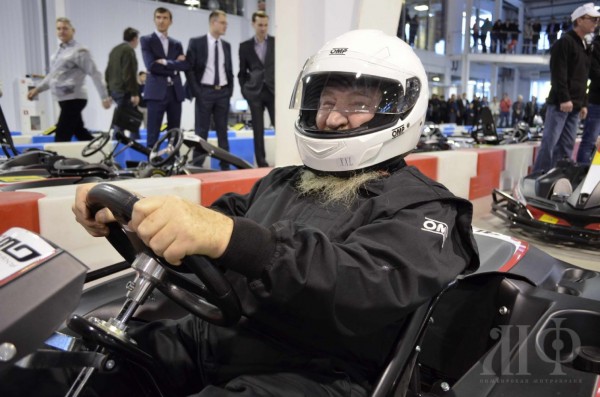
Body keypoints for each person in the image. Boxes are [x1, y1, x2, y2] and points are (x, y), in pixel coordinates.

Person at [72, 30, 479, 397]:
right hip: (214, 338)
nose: (334, 118)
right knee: (78, 364)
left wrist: (234, 240)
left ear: (403, 109)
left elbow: (360, 284)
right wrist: (136, 215)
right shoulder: (286, 181)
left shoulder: (426, 207)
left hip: (310, 371)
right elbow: (208, 228)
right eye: (327, 101)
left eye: (358, 105)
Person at [533, 3, 599, 173]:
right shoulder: (564, 42)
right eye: (592, 19)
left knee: (567, 147)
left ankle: (558, 178)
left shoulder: (584, 46)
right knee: (549, 143)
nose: (596, 23)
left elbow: (584, 78)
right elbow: (558, 74)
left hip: (575, 105)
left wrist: (583, 103)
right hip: (560, 104)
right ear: (579, 20)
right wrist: (564, 98)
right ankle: (537, 178)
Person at [27, 17, 111, 142]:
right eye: (59, 28)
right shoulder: (57, 53)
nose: (62, 31)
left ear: (73, 30)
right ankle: (102, 154)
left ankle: (58, 160)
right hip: (63, 99)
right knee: (80, 133)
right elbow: (52, 76)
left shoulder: (80, 51)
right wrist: (37, 89)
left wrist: (104, 96)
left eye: (65, 28)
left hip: (74, 98)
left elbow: (95, 73)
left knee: (61, 135)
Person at [186, 10, 234, 170]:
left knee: (223, 132)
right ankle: (197, 166)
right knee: (201, 132)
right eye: (223, 22)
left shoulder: (226, 45)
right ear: (213, 22)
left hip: (223, 93)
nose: (225, 26)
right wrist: (198, 92)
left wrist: (229, 91)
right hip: (204, 92)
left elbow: (228, 70)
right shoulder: (196, 42)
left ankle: (225, 166)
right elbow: (190, 69)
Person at [140, 7, 188, 149]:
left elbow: (184, 65)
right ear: (154, 20)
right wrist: (174, 66)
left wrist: (166, 62)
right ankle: (152, 167)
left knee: (174, 135)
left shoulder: (176, 43)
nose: (161, 21)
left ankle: (174, 166)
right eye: (158, 17)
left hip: (175, 92)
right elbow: (151, 66)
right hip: (155, 93)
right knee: (153, 135)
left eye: (165, 18)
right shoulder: (146, 40)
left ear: (170, 21)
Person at [238, 10, 275, 167]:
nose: (263, 28)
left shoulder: (275, 42)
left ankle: (286, 156)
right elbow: (242, 72)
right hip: (254, 93)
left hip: (273, 91)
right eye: (260, 25)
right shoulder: (245, 46)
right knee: (257, 130)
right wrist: (245, 91)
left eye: (266, 25)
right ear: (253, 24)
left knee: (281, 125)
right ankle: (261, 162)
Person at [106, 27, 141, 139]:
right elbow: (129, 73)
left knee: (128, 121)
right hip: (124, 91)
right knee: (126, 122)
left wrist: (108, 92)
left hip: (115, 90)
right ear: (135, 38)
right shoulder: (128, 50)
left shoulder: (114, 50)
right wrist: (134, 93)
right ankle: (115, 149)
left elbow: (108, 72)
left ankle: (134, 144)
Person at [577, 30, 600, 165]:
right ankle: (583, 175)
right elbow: (594, 74)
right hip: (596, 102)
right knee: (590, 141)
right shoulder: (595, 46)